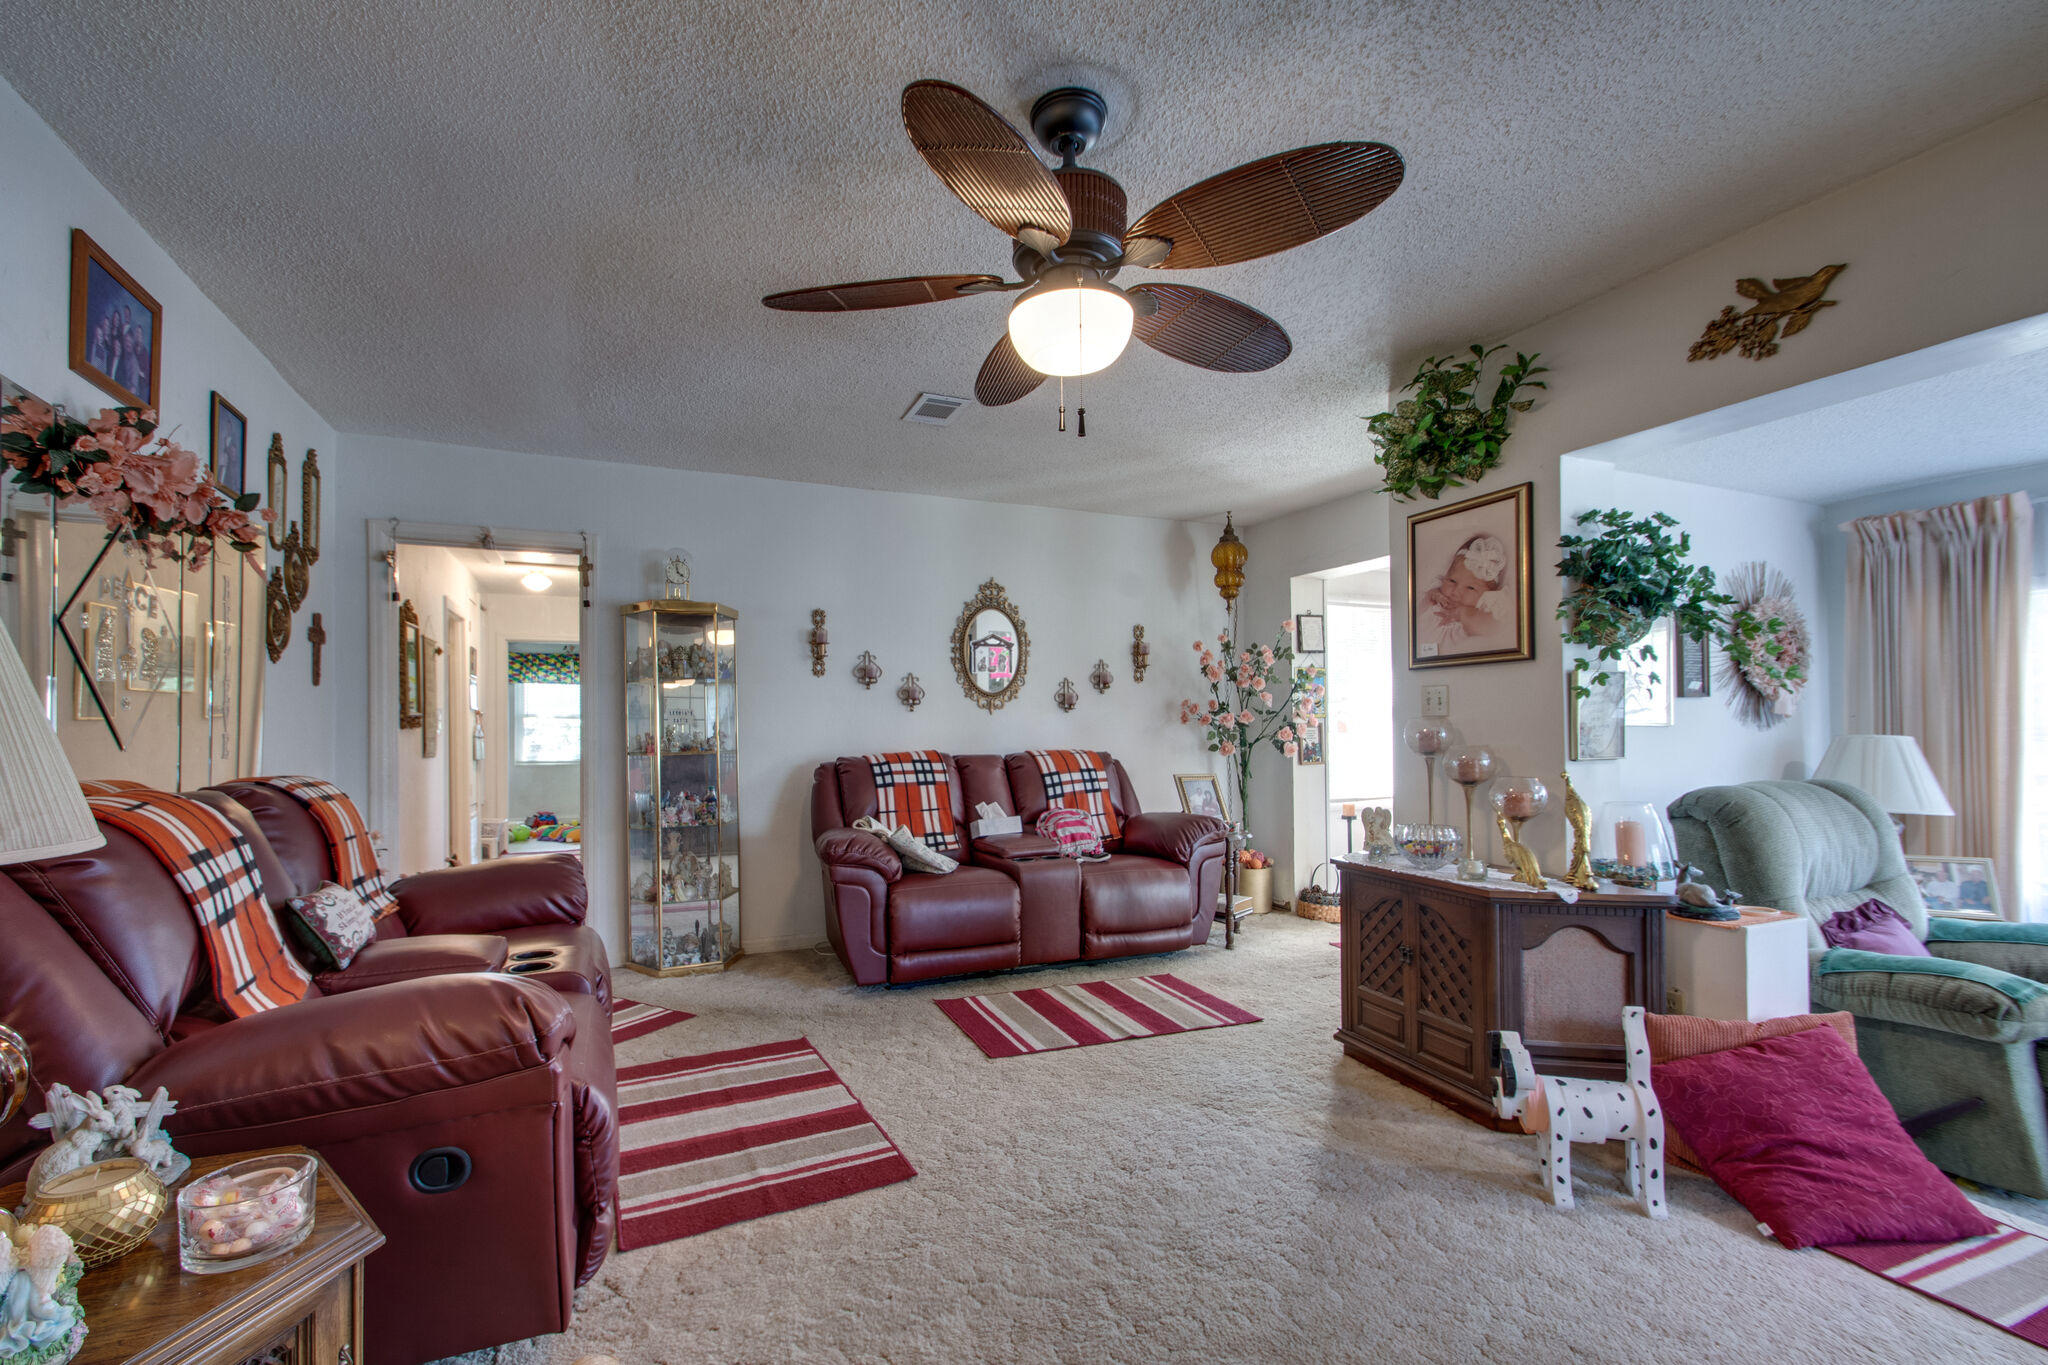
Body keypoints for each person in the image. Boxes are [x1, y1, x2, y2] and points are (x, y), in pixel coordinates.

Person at [1420, 533, 1514, 653]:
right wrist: (1430, 596)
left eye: (1470, 588)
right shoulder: (1436, 599)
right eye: (1452, 581)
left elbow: (1493, 629)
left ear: (1487, 595)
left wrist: (1463, 613)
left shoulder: (1482, 612)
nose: (1455, 592)